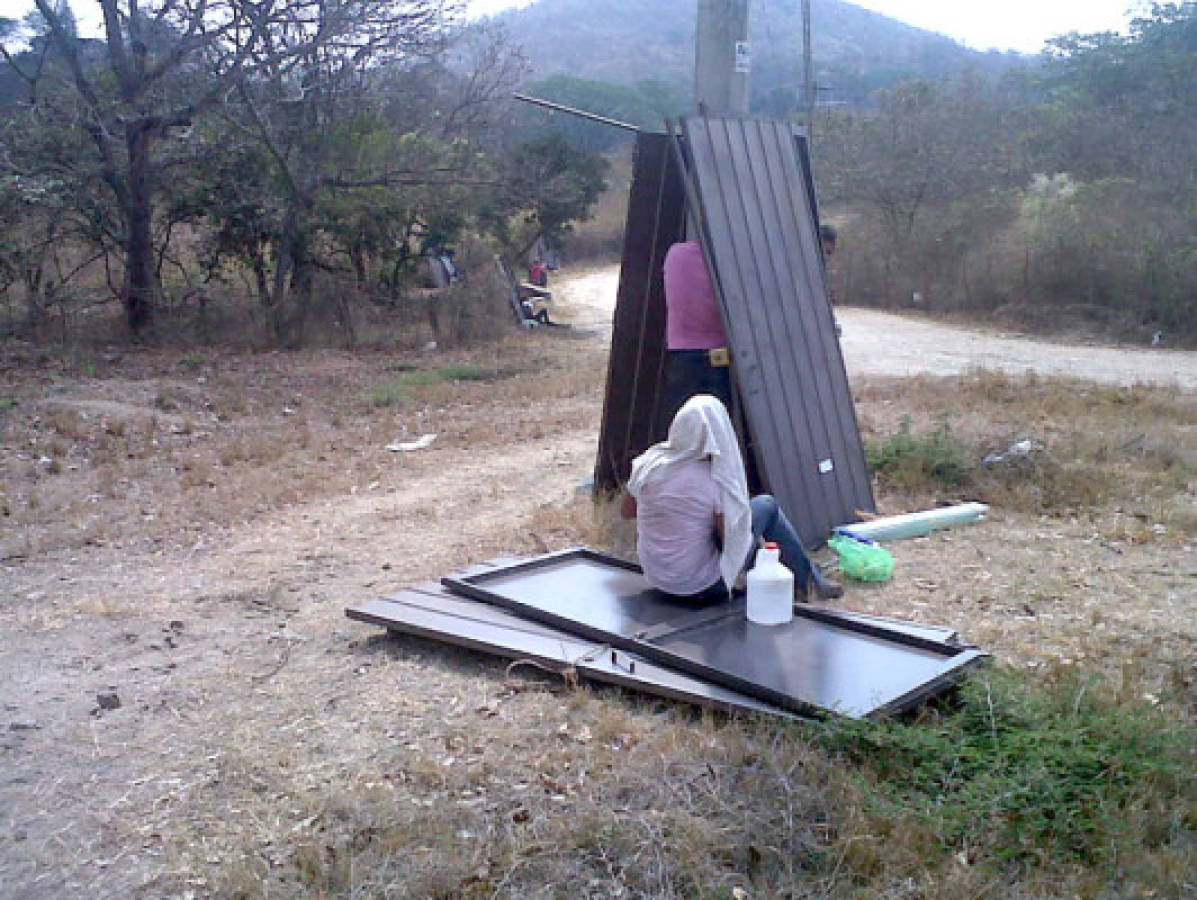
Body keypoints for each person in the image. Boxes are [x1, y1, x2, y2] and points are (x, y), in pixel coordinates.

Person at [621, 394, 843, 604]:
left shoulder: (647, 466)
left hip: (658, 579)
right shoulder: (712, 480)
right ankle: (810, 584)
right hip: (702, 588)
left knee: (744, 520)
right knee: (766, 506)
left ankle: (790, 573)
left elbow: (627, 512)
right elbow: (729, 539)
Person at [661, 241, 733, 424]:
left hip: (682, 356)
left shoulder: (675, 253)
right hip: (719, 355)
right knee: (720, 429)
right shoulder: (726, 257)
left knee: (684, 426)